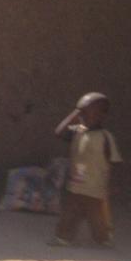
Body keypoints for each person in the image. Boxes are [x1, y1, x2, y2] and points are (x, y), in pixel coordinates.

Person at [51, 92, 122, 247]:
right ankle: (63, 238)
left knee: (97, 217)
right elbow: (59, 132)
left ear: (102, 115)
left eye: (89, 112)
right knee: (69, 213)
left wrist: (113, 184)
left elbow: (114, 161)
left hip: (95, 187)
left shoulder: (105, 137)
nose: (84, 116)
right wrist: (76, 112)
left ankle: (103, 239)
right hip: (76, 185)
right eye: (82, 112)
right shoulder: (78, 130)